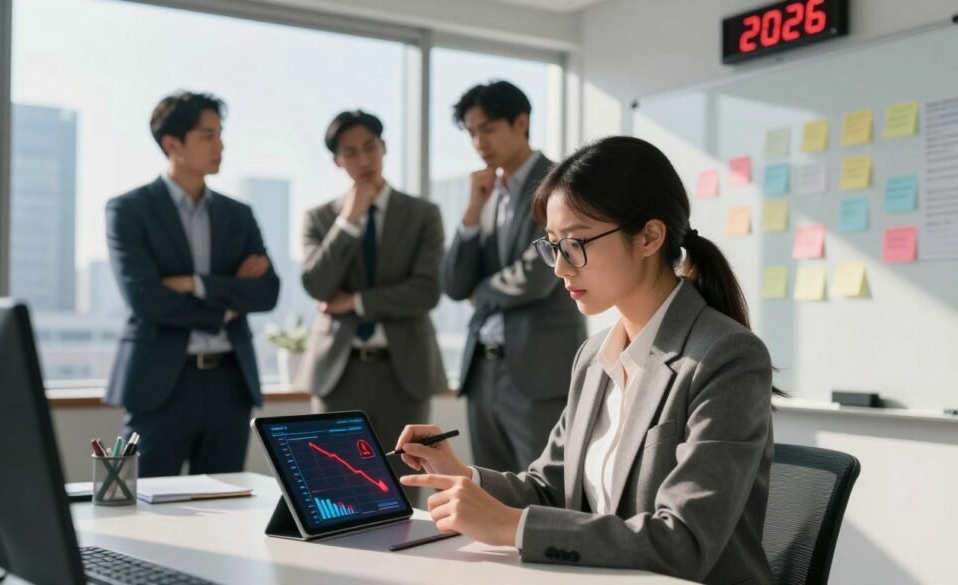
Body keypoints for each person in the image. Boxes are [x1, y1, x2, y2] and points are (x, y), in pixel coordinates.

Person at [398, 136, 778, 584]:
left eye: (575, 243)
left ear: (649, 237)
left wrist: (509, 526)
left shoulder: (726, 357)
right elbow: (552, 488)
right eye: (552, 245)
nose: (560, 267)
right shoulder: (593, 357)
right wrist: (462, 476)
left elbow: (683, 541)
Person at [105, 91, 280, 477]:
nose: (221, 145)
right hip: (160, 384)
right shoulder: (129, 210)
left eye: (220, 134)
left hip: (229, 384)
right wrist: (228, 299)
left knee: (223, 509)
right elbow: (145, 299)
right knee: (139, 506)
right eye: (207, 136)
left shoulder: (238, 215)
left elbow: (267, 292)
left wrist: (194, 284)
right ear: (173, 144)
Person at [441, 80, 585, 473]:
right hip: (482, 370)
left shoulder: (560, 183)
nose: (478, 141)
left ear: (521, 122)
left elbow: (538, 274)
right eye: (471, 132)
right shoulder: (486, 192)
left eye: (487, 128)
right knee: (492, 490)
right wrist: (472, 212)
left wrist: (481, 291)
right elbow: (454, 285)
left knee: (543, 491)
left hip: (537, 372)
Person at [297, 110, 447, 484]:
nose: (363, 161)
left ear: (384, 148)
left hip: (404, 371)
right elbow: (317, 286)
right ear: (336, 160)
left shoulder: (422, 214)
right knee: (334, 485)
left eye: (370, 148)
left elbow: (426, 291)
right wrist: (348, 221)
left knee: (403, 485)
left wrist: (356, 302)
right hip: (338, 371)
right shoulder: (319, 218)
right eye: (350, 153)